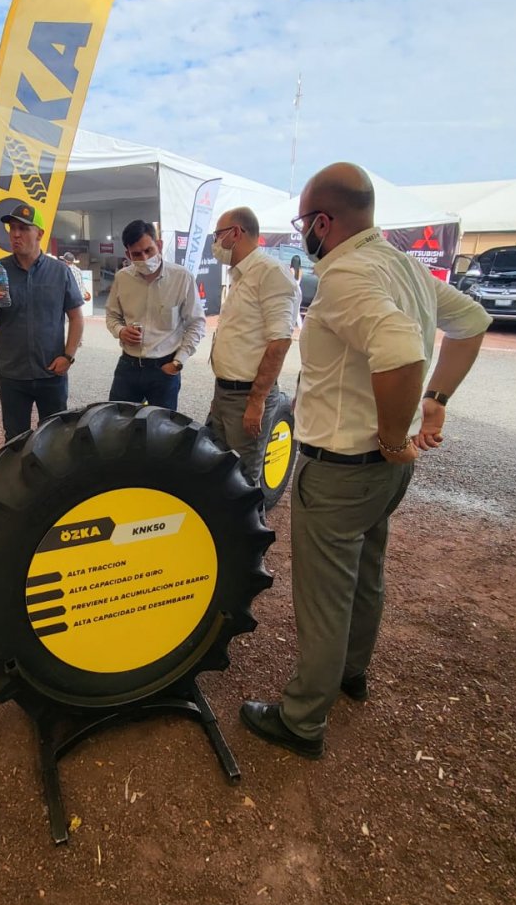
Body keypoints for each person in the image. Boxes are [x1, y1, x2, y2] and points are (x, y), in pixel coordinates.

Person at [240, 163, 491, 759]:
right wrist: (435, 400)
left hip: (341, 467)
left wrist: (393, 434)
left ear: (323, 222)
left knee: (324, 598)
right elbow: (471, 322)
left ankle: (302, 720)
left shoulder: (346, 277)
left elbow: (401, 353)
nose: (302, 232)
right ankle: (352, 672)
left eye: (302, 222)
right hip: (381, 472)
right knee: (365, 576)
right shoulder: (404, 266)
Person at [0, 203, 84, 440]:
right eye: (12, 228)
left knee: (56, 438)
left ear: (39, 234)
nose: (15, 234)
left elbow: (76, 317)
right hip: (12, 375)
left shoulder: (60, 272)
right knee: (15, 439)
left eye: (23, 228)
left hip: (51, 374)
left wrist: (68, 357)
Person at [206, 206, 297, 485]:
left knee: (243, 479)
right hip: (225, 392)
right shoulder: (240, 275)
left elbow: (280, 341)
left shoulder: (270, 274)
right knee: (217, 468)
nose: (215, 243)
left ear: (235, 233)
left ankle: (249, 517)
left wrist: (257, 402)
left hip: (247, 396)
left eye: (217, 235)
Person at [105, 220, 205, 411]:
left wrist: (178, 362)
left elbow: (196, 323)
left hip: (164, 368)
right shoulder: (122, 279)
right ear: (128, 255)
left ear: (159, 245)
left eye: (148, 250)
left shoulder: (181, 278)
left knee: (161, 426)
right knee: (117, 420)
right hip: (128, 366)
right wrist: (120, 331)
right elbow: (111, 315)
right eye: (136, 254)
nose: (144, 258)